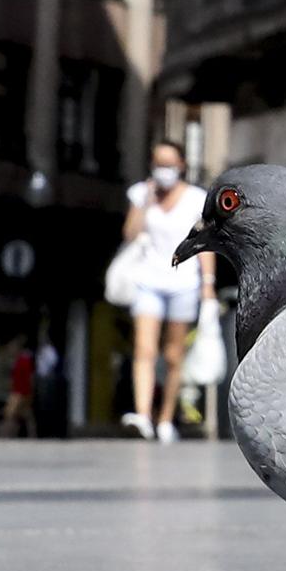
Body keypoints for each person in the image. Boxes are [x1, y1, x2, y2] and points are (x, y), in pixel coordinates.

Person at [119, 140, 216, 443]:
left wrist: (208, 285)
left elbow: (203, 244)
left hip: (183, 283)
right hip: (148, 280)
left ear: (182, 166)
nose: (164, 170)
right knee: (144, 351)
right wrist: (145, 201)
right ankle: (144, 415)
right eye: (158, 163)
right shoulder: (141, 193)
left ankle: (165, 419)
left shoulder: (196, 199)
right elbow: (130, 234)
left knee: (174, 356)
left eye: (169, 164)